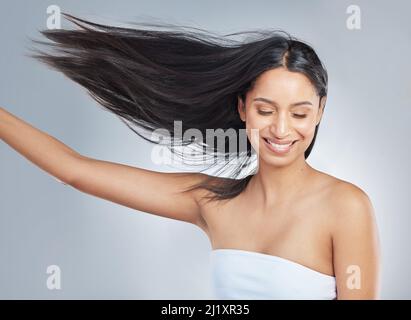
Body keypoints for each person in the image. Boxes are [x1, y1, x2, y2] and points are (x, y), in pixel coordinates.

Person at [0, 13, 380, 299]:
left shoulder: (345, 207)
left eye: (299, 113)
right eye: (266, 110)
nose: (281, 129)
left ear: (320, 111)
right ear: (243, 107)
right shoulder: (212, 201)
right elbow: (74, 171)